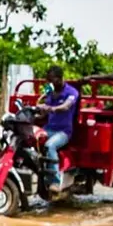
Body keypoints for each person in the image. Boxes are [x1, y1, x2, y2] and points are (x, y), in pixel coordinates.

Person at [36, 65, 79, 194]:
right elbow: (44, 114)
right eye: (48, 80)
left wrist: (49, 108)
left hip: (63, 132)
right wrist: (36, 112)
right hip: (49, 128)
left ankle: (54, 182)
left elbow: (65, 107)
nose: (49, 83)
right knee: (30, 141)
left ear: (59, 79)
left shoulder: (71, 92)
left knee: (50, 146)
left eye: (51, 80)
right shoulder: (50, 93)